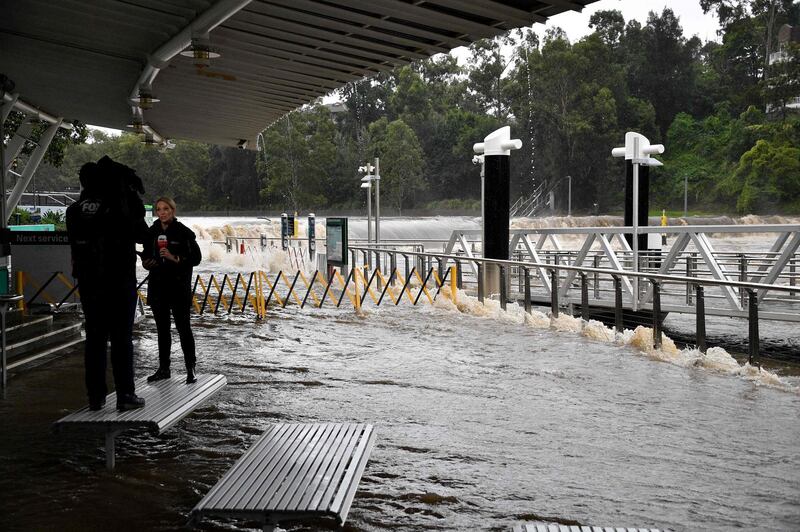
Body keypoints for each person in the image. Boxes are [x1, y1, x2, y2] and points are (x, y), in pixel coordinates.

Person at [66, 157, 149, 411]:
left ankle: (95, 397)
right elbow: (143, 235)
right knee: (122, 339)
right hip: (119, 281)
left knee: (94, 338)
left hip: (90, 283)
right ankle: (125, 394)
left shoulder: (74, 210)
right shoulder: (122, 204)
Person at [141, 197, 201, 384]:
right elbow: (145, 255)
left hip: (178, 287)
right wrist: (146, 263)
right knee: (162, 330)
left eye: (166, 209)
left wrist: (175, 258)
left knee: (184, 328)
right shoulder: (152, 232)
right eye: (159, 209)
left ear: (173, 211)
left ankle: (190, 368)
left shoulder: (184, 232)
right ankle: (163, 368)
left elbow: (196, 258)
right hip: (158, 287)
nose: (162, 212)